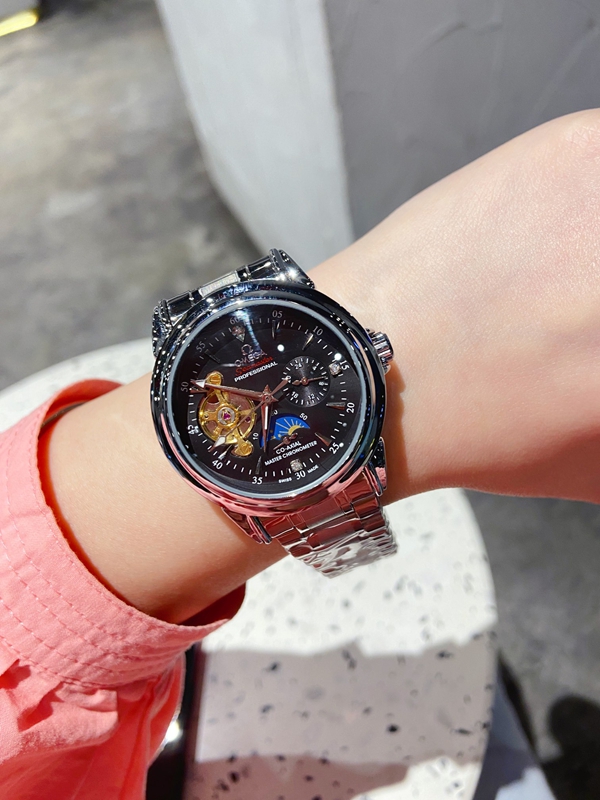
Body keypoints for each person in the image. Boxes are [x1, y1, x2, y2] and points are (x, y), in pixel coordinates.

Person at [1, 109, 600, 798]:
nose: (262, 397)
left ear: (372, 353)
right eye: (244, 399)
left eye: (274, 389)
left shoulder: (337, 376)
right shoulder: (205, 430)